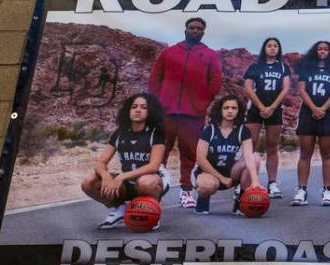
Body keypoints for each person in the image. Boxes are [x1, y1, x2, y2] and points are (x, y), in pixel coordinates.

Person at [148, 17, 223, 209]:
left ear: (203, 32)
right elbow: (155, 77)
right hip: (166, 112)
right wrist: (156, 102)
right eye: (192, 27)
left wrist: (201, 102)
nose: (195, 31)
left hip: (193, 114)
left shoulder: (210, 55)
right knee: (159, 153)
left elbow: (215, 81)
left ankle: (186, 191)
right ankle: (154, 193)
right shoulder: (169, 52)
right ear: (185, 29)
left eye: (199, 28)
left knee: (189, 154)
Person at [81, 93, 169, 230]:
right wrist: (106, 177)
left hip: (153, 181)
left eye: (143, 107)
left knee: (145, 182)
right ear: (128, 110)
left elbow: (153, 166)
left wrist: (121, 176)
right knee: (89, 181)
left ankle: (153, 211)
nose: (138, 110)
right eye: (134, 107)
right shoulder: (120, 132)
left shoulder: (156, 132)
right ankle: (118, 209)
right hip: (128, 182)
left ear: (150, 111)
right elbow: (100, 162)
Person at [294, 41, 330, 206]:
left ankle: (327, 191)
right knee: (305, 153)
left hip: (328, 113)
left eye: (326, 49)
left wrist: (323, 108)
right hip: (307, 113)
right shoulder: (306, 68)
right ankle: (302, 190)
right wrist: (313, 108)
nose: (323, 51)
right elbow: (301, 90)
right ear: (315, 51)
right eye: (320, 49)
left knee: (327, 153)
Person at [191, 94, 262, 215]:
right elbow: (201, 159)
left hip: (231, 173)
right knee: (206, 185)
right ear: (220, 110)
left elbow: (248, 156)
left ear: (239, 111)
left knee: (255, 158)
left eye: (234, 108)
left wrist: (255, 181)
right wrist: (221, 178)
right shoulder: (209, 130)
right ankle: (203, 200)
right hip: (209, 174)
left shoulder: (242, 131)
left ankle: (241, 199)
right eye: (226, 108)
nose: (230, 111)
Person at [243, 37, 291, 199]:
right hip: (255, 109)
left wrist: (272, 107)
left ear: (279, 49)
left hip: (275, 110)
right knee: (250, 146)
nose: (272, 48)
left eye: (275, 46)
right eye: (269, 46)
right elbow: (248, 88)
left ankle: (272, 183)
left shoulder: (283, 67)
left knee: (272, 146)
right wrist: (262, 107)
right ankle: (246, 183)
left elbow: (285, 89)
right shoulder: (255, 66)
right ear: (264, 48)